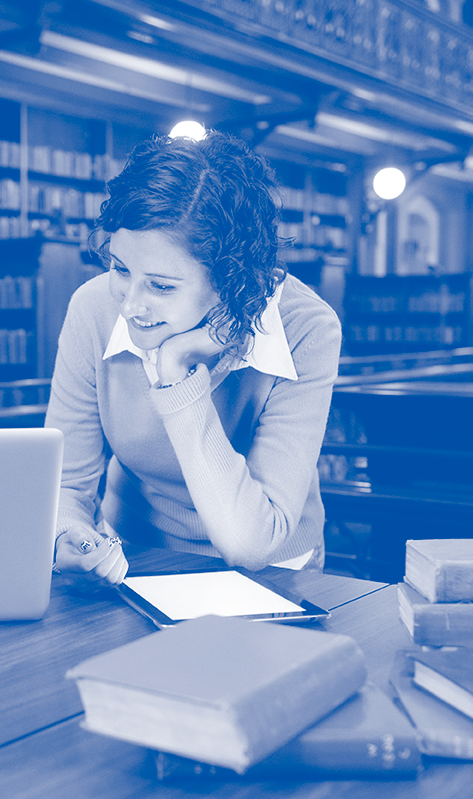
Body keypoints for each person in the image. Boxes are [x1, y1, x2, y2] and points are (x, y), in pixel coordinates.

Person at [45, 132, 342, 586]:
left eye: (162, 286)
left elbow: (249, 544)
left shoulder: (309, 329)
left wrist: (177, 375)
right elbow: (65, 483)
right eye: (121, 269)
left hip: (275, 575)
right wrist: (71, 533)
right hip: (133, 560)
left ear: (232, 280)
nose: (129, 307)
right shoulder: (93, 308)